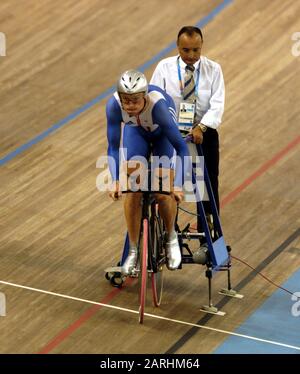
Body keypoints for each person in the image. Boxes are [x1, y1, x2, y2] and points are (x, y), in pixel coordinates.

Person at [106, 69, 190, 275]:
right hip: (137, 133)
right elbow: (113, 147)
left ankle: (171, 238)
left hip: (162, 135)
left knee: (163, 192)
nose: (129, 106)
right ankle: (133, 251)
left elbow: (182, 148)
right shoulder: (114, 106)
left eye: (134, 101)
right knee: (131, 190)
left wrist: (177, 184)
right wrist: (116, 180)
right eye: (126, 101)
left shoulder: (158, 107)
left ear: (144, 96)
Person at [150, 26, 225, 214]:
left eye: (196, 50)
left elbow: (217, 105)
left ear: (201, 46)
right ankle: (169, 230)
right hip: (170, 131)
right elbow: (153, 98)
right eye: (186, 50)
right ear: (177, 46)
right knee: (167, 183)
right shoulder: (164, 68)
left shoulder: (213, 70)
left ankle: (210, 231)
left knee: (207, 184)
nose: (191, 55)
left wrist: (201, 127)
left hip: (202, 132)